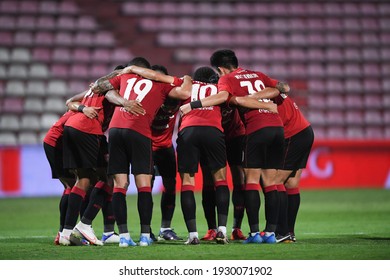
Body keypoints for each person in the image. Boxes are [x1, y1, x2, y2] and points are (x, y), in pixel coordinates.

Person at [180, 49, 286, 244]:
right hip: (217, 133)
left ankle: (237, 227)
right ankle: (214, 228)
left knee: (240, 179)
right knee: (212, 181)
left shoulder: (226, 83)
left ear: (220, 70)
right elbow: (282, 88)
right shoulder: (227, 85)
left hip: (235, 135)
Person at [91, 57, 192, 247]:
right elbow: (186, 89)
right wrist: (185, 76)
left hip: (115, 130)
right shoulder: (161, 86)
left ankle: (123, 237)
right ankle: (145, 235)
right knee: (144, 184)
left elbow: (99, 87)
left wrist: (122, 82)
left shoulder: (125, 78)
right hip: (140, 132)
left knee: (120, 185)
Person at [59, 65, 143, 246]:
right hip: (87, 128)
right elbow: (110, 94)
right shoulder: (112, 87)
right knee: (108, 178)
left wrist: (82, 107)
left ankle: (66, 232)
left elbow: (70, 100)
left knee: (83, 179)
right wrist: (125, 102)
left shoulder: (96, 86)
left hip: (72, 127)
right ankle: (85, 224)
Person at [245, 89, 314, 242]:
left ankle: (281, 231)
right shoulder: (272, 92)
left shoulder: (260, 99)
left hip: (292, 135)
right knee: (291, 183)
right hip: (305, 131)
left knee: (275, 181)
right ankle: (289, 232)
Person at [176, 66, 231, 245]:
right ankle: (222, 230)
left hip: (188, 130)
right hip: (213, 131)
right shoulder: (218, 89)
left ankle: (192, 234)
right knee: (220, 180)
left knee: (187, 183)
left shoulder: (187, 88)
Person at [149, 65, 182, 241]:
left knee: (170, 187)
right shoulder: (147, 97)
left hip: (166, 148)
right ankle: (146, 230)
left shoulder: (176, 96)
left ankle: (165, 229)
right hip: (147, 147)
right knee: (146, 187)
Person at [43, 110, 77, 245]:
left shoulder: (78, 106)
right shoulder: (86, 108)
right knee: (75, 186)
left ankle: (62, 232)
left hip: (54, 142)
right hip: (57, 144)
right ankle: (64, 232)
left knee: (70, 186)